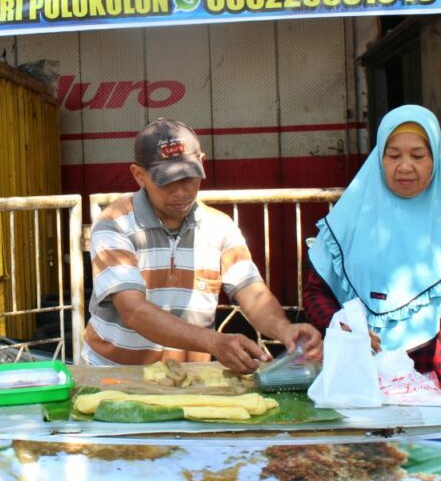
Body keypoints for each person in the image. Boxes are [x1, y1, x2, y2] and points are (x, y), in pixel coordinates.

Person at [82, 118, 322, 372]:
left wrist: (286, 330)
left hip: (189, 378)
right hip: (113, 374)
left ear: (202, 164)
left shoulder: (220, 227)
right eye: (166, 181)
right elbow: (133, 311)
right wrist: (214, 342)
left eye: (188, 177)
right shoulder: (113, 224)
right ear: (139, 175)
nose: (180, 192)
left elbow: (252, 292)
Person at [304, 105, 441, 417]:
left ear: (435, 161)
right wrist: (342, 324)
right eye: (393, 155)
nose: (405, 166)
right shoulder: (347, 221)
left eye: (418, 156)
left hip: (430, 379)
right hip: (353, 378)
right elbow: (315, 291)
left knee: (426, 463)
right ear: (379, 159)